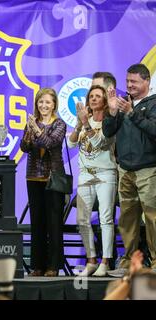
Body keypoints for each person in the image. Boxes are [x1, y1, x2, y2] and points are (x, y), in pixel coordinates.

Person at [103, 63, 156, 277]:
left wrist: (132, 113)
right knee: (127, 218)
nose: (129, 86)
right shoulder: (123, 104)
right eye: (127, 81)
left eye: (134, 82)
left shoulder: (153, 103)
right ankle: (128, 261)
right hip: (124, 170)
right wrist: (113, 112)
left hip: (148, 170)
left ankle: (154, 261)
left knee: (152, 217)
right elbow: (108, 132)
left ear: (147, 82)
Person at [68, 85, 117, 277]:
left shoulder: (109, 121)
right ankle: (91, 261)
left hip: (105, 173)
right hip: (85, 174)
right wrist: (80, 124)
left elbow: (99, 143)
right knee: (82, 219)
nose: (94, 99)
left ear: (105, 101)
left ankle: (105, 261)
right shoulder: (83, 119)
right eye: (91, 96)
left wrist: (86, 124)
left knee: (105, 218)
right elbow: (72, 143)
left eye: (98, 96)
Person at [20, 88, 66, 277]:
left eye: (47, 102)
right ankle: (37, 266)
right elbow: (24, 148)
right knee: (37, 223)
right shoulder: (32, 123)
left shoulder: (59, 124)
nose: (44, 105)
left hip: (53, 178)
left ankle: (53, 266)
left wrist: (37, 130)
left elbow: (49, 143)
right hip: (33, 177)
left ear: (54, 104)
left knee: (54, 223)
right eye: (41, 102)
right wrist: (29, 134)